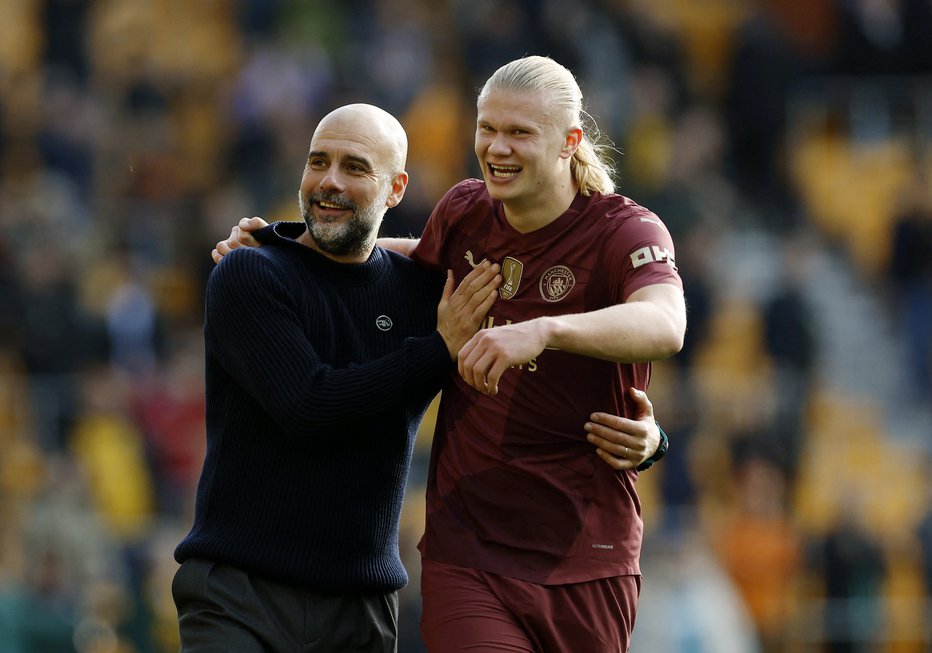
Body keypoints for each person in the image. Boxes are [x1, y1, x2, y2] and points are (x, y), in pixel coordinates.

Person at [216, 55, 684, 652]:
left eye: (519, 132)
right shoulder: (466, 214)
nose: (497, 147)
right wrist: (278, 245)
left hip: (587, 552)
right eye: (487, 128)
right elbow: (388, 256)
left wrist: (544, 332)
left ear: (569, 143)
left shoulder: (626, 232)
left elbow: (666, 323)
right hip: (469, 552)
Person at [172, 103, 504, 653]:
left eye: (354, 167)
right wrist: (438, 348)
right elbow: (309, 404)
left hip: (362, 611)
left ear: (396, 188)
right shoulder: (248, 273)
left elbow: (541, 333)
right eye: (317, 162)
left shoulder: (425, 297)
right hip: (240, 596)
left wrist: (647, 434)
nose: (329, 181)